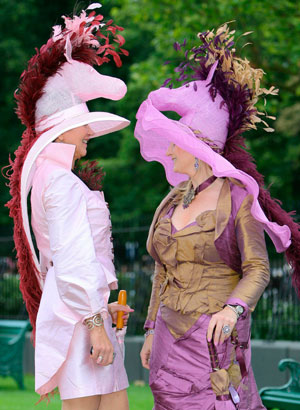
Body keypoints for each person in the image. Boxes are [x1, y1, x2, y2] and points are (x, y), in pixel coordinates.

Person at [135, 23, 300, 409]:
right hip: (166, 340)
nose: (170, 154)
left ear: (198, 148)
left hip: (212, 338)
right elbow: (162, 270)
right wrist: (148, 329)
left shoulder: (238, 198)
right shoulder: (172, 201)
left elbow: (257, 269)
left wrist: (233, 308)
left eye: (177, 145)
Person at [5, 4, 133, 410]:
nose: (89, 134)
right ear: (63, 127)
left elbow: (74, 261)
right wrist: (96, 324)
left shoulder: (51, 176)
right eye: (85, 125)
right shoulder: (59, 181)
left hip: (87, 315)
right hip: (84, 322)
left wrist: (103, 310)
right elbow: (72, 259)